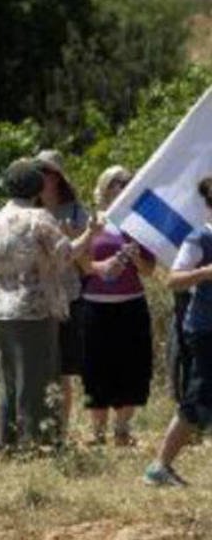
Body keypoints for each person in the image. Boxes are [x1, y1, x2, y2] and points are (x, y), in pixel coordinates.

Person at [0, 159, 99, 447]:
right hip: (36, 308)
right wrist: (91, 232)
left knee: (11, 377)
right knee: (40, 376)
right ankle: (39, 439)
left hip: (2, 310)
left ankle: (10, 438)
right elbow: (66, 254)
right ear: (35, 188)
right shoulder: (40, 218)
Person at [79, 166, 154, 446]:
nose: (123, 186)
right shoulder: (93, 221)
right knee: (96, 366)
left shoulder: (140, 224)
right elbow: (80, 262)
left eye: (128, 182)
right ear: (105, 187)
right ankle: (97, 432)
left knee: (131, 365)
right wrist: (101, 268)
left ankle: (123, 429)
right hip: (95, 306)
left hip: (131, 305)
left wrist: (134, 258)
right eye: (117, 182)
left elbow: (149, 270)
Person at [145, 176, 212, 486]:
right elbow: (174, 279)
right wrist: (205, 273)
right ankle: (160, 466)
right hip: (205, 329)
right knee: (198, 399)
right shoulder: (200, 238)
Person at [35, 149, 91, 435]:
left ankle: (61, 430)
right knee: (40, 367)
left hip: (68, 296)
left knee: (62, 370)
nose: (39, 177)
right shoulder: (28, 209)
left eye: (43, 171)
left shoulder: (77, 212)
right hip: (34, 298)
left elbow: (87, 265)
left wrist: (73, 240)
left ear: (56, 177)